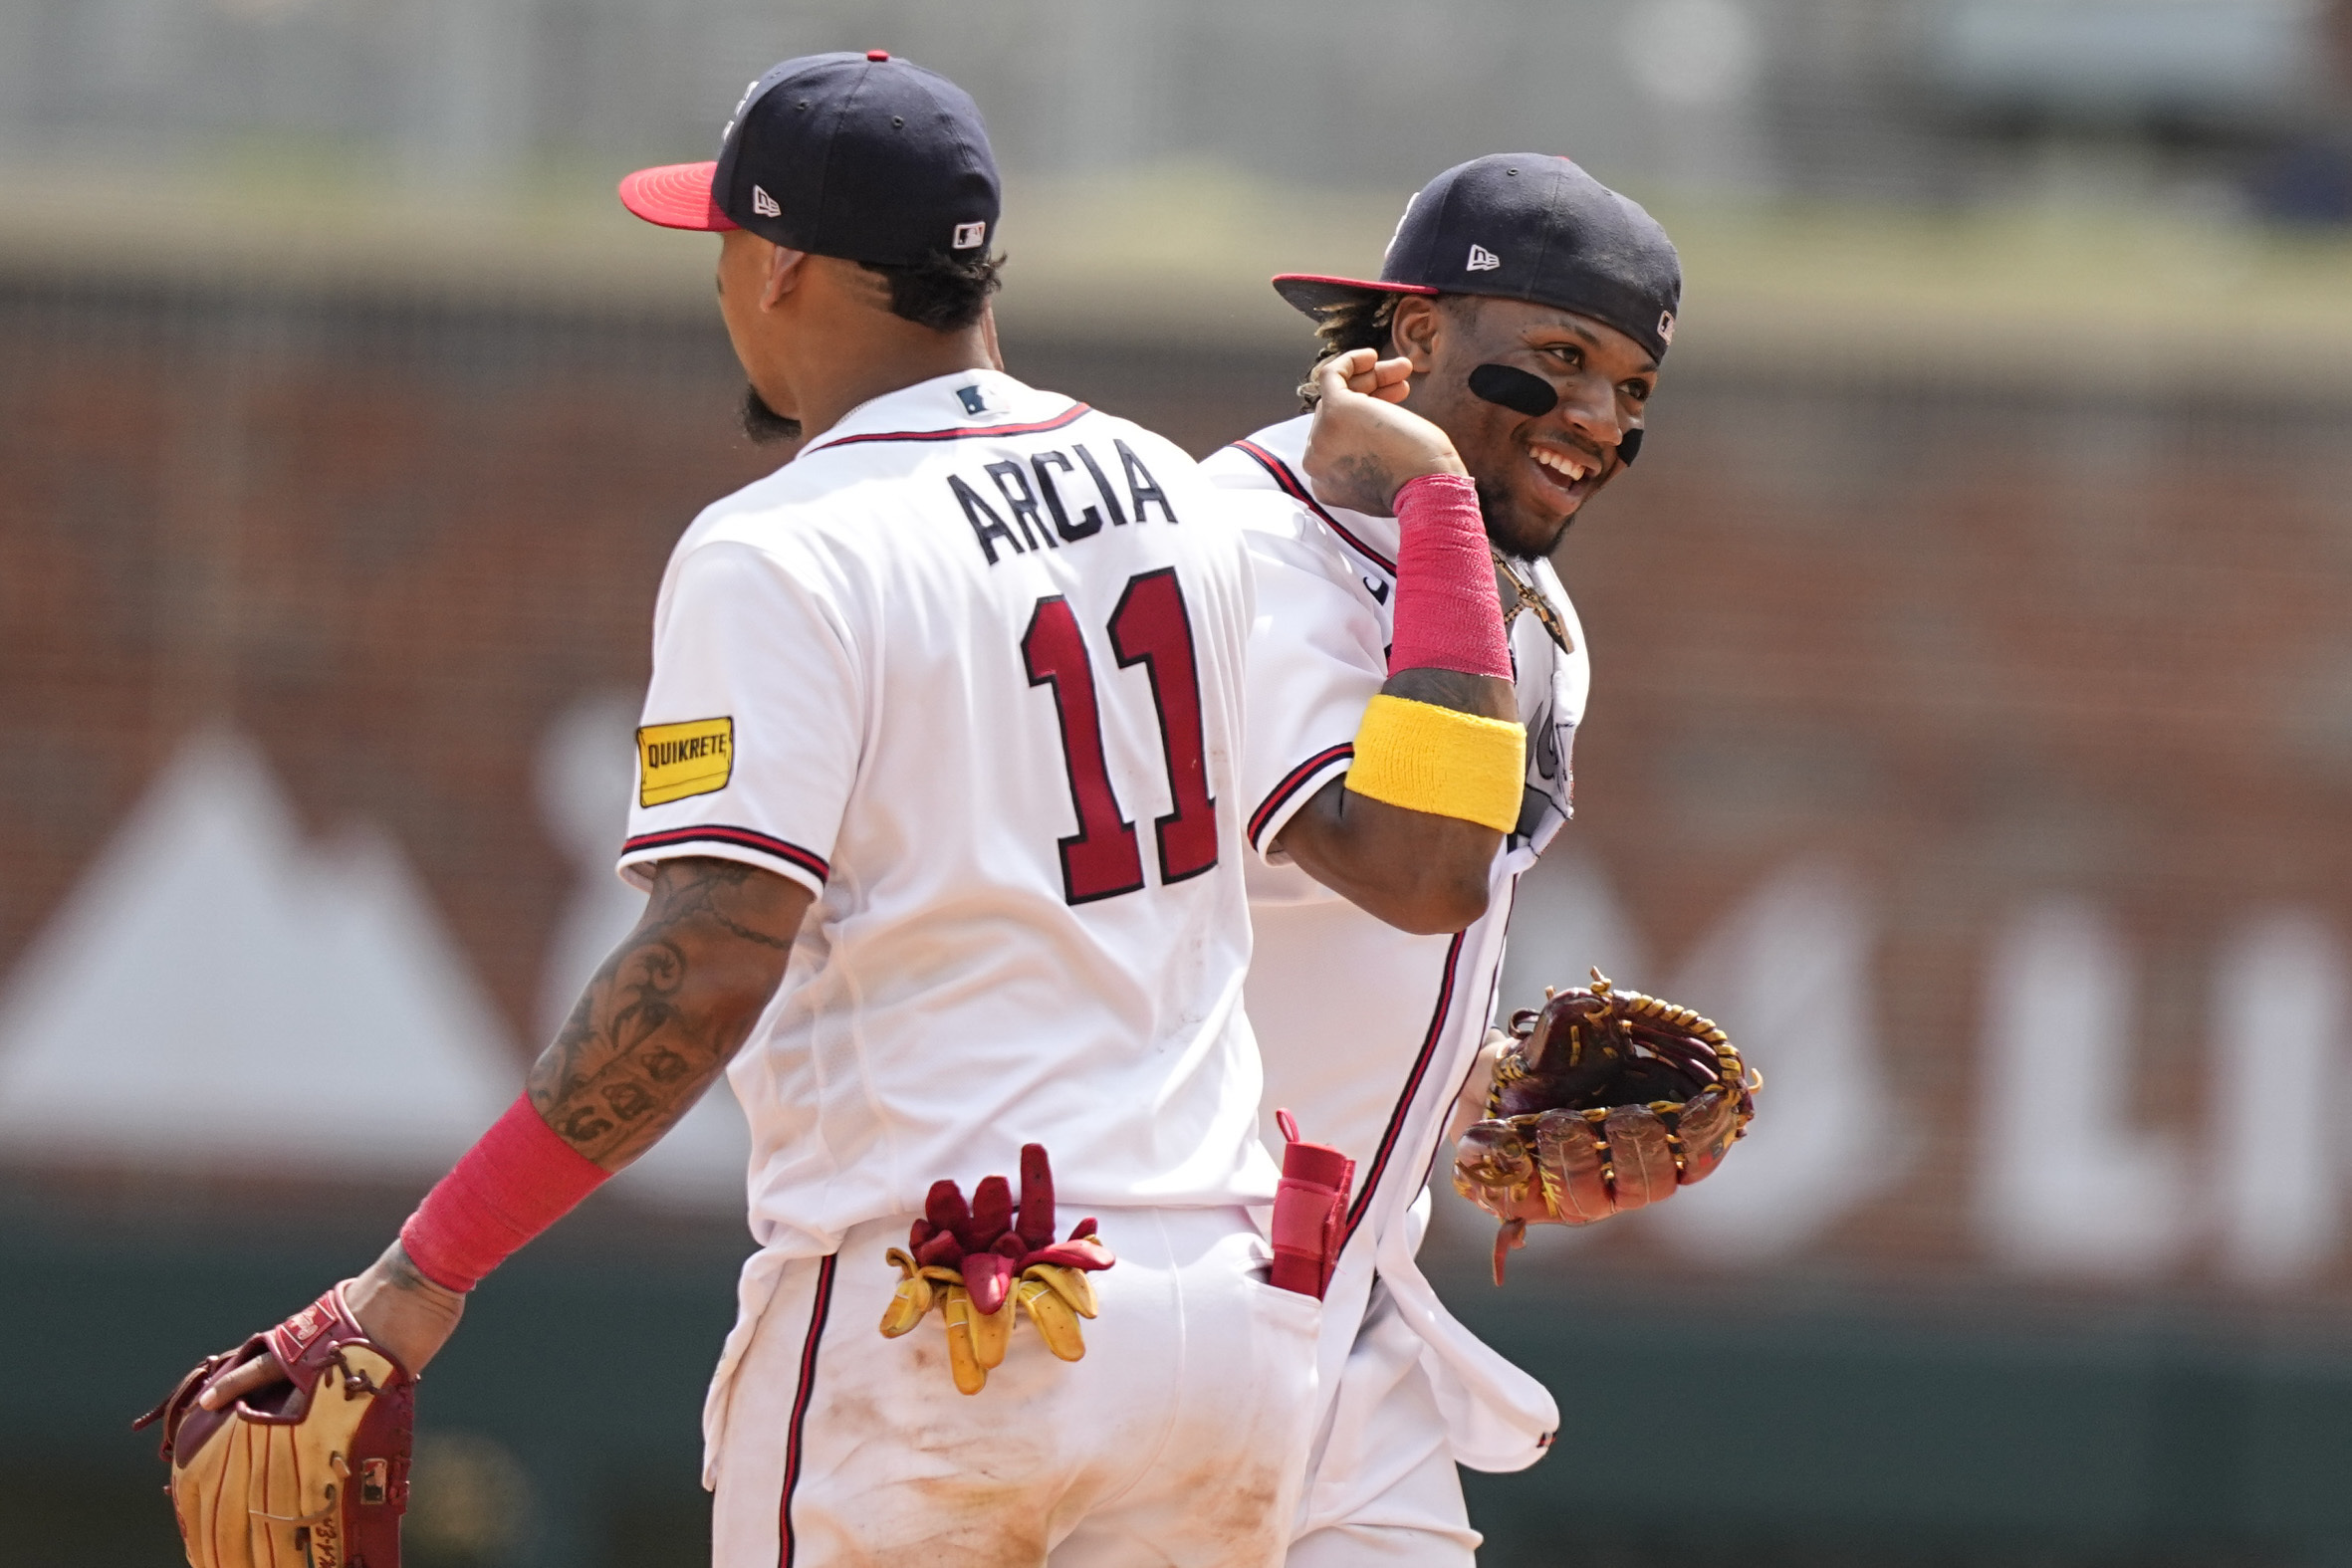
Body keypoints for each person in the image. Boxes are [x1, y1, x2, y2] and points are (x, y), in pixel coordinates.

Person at [166, 51, 1408, 1567]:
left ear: (784, 266)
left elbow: (705, 966)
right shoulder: (1164, 485)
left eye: (723, 248)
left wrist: (418, 1278)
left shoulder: (780, 548)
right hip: (1221, 1323)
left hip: (953, 1318)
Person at [1199, 153, 1687, 1565]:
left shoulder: (1518, 601)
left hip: (1344, 1300)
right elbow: (1417, 877)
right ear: (1413, 339)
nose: (1595, 418)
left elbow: (1372, 938)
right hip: (1157, 1285)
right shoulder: (1236, 547)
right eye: (1557, 356)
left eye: (1633, 387)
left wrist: (1477, 1103)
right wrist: (1428, 507)